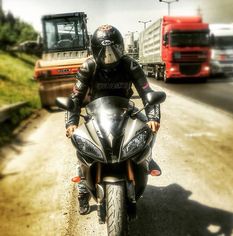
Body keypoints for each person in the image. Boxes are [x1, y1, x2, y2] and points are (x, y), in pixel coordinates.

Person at [65, 25, 161, 215]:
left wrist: (153, 117)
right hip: (96, 113)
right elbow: (75, 98)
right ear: (94, 50)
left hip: (125, 109)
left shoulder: (130, 64)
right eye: (103, 51)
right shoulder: (88, 66)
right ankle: (83, 189)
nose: (108, 56)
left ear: (121, 47)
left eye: (113, 49)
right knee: (83, 147)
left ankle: (147, 157)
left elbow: (147, 91)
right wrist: (71, 123)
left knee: (148, 129)